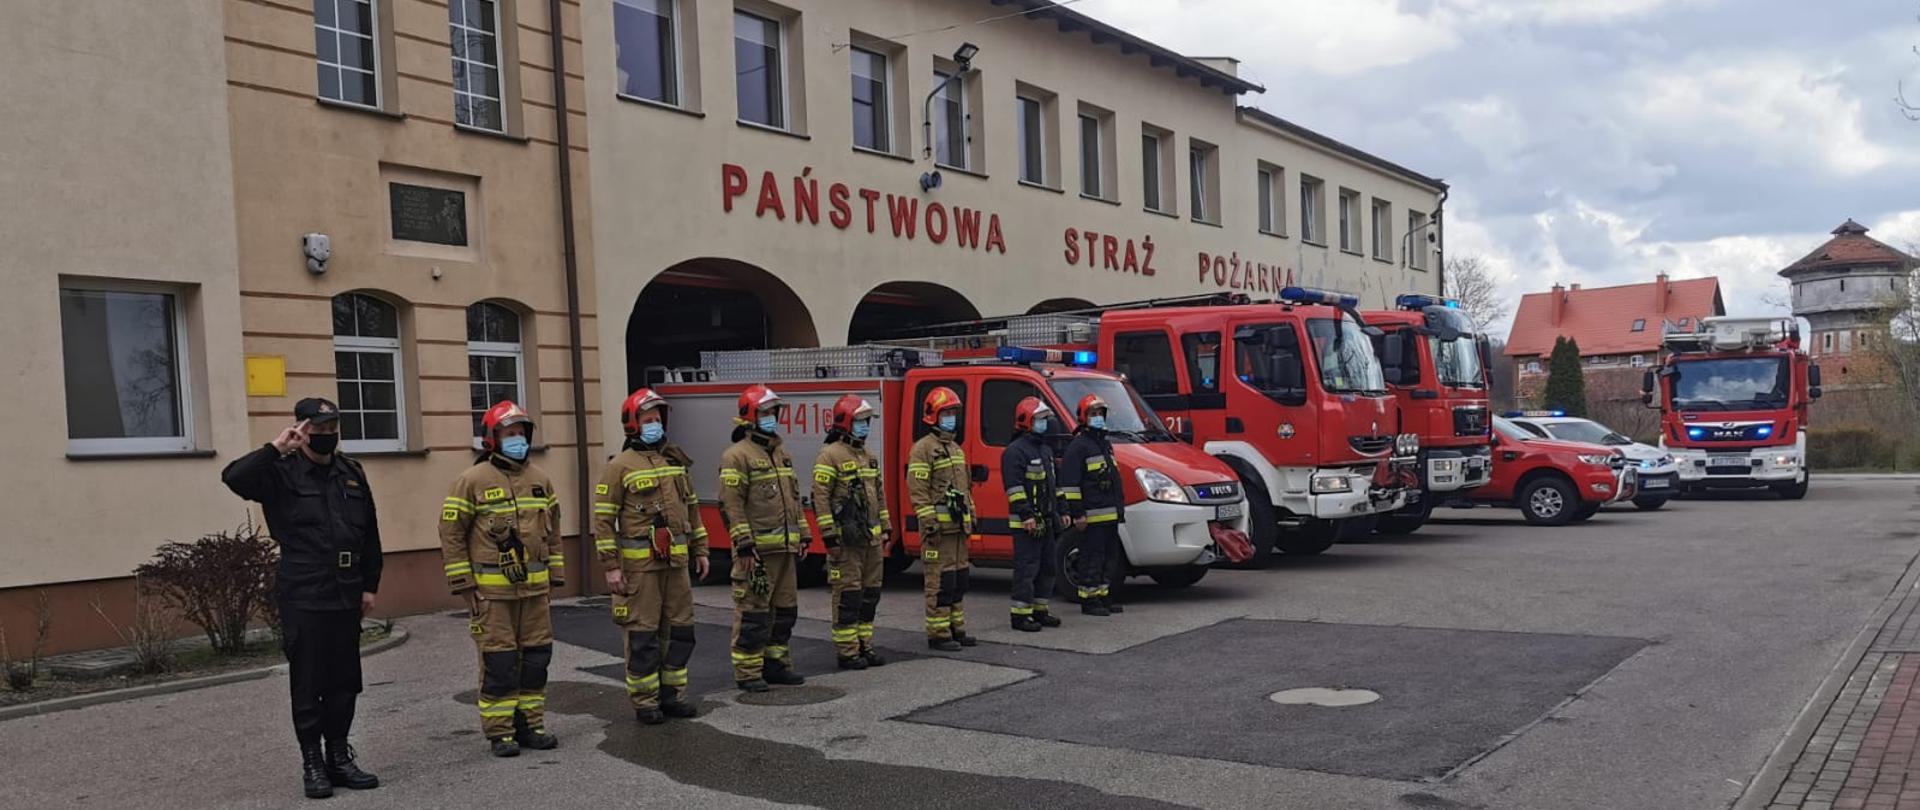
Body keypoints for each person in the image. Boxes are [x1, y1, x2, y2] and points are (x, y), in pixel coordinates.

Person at [220, 397, 382, 800]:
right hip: (304, 591)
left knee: (346, 681)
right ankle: (313, 760)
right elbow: (234, 478)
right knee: (310, 680)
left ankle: (339, 757)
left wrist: (370, 584)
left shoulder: (351, 473)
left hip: (346, 589)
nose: (327, 435)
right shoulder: (280, 472)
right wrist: (277, 448)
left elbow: (371, 534)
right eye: (318, 428)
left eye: (332, 428)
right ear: (302, 429)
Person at [439, 401, 566, 758]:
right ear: (492, 439)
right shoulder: (471, 481)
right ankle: (501, 732)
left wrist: (554, 578)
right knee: (499, 662)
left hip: (535, 592)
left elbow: (554, 532)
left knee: (537, 659)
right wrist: (465, 587)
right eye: (509, 434)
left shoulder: (541, 480)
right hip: (492, 595)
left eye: (521, 433)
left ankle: (531, 724)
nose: (518, 439)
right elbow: (451, 534)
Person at [594, 389, 709, 724]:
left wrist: (700, 550)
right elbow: (603, 520)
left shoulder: (675, 463)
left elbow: (692, 510)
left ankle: (673, 695)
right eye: (648, 420)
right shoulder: (619, 467)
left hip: (676, 566)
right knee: (643, 635)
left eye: (658, 419)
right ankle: (646, 701)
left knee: (680, 630)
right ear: (633, 424)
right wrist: (612, 567)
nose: (655, 425)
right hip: (640, 569)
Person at [718, 385, 808, 691]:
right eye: (766, 412)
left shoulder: (781, 453)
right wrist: (743, 543)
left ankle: (776, 664)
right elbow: (731, 504)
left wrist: (804, 534)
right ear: (750, 416)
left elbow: (794, 499)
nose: (772, 418)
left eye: (774, 412)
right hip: (755, 554)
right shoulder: (737, 456)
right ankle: (748, 672)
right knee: (753, 614)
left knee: (785, 612)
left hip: (784, 550)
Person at [812, 395, 891, 669]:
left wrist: (886, 529)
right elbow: (820, 499)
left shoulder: (869, 456)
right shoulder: (830, 455)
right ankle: (847, 651)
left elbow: (879, 495)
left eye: (867, 421)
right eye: (859, 421)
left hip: (870, 540)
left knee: (870, 594)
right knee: (848, 595)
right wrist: (829, 537)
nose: (865, 426)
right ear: (846, 422)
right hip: (845, 543)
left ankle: (864, 645)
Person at [907, 386, 975, 651]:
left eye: (953, 413)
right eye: (946, 412)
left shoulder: (956, 449)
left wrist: (972, 514)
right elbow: (918, 490)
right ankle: (938, 635)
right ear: (933, 416)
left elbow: (965, 489)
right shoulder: (923, 450)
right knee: (940, 582)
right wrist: (930, 523)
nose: (951, 417)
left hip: (957, 529)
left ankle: (956, 629)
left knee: (959, 580)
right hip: (938, 532)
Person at [1002, 397, 1067, 632]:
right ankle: (1020, 615)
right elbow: (1015, 488)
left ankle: (1040, 610)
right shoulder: (1015, 452)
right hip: (1026, 524)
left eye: (1044, 419)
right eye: (1040, 419)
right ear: (1026, 421)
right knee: (1027, 568)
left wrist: (1063, 510)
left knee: (1048, 567)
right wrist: (1026, 515)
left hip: (1047, 520)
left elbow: (1053, 485)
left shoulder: (1045, 450)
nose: (1044, 424)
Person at [1062, 394, 1125, 617]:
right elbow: (1069, 484)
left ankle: (1103, 597)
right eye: (1093, 414)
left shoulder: (1104, 445)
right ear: (1083, 417)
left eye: (1100, 414)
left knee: (1109, 559)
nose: (1098, 418)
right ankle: (1089, 601)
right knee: (1091, 558)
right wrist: (1078, 514)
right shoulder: (1079, 447)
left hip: (1109, 516)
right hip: (1091, 517)